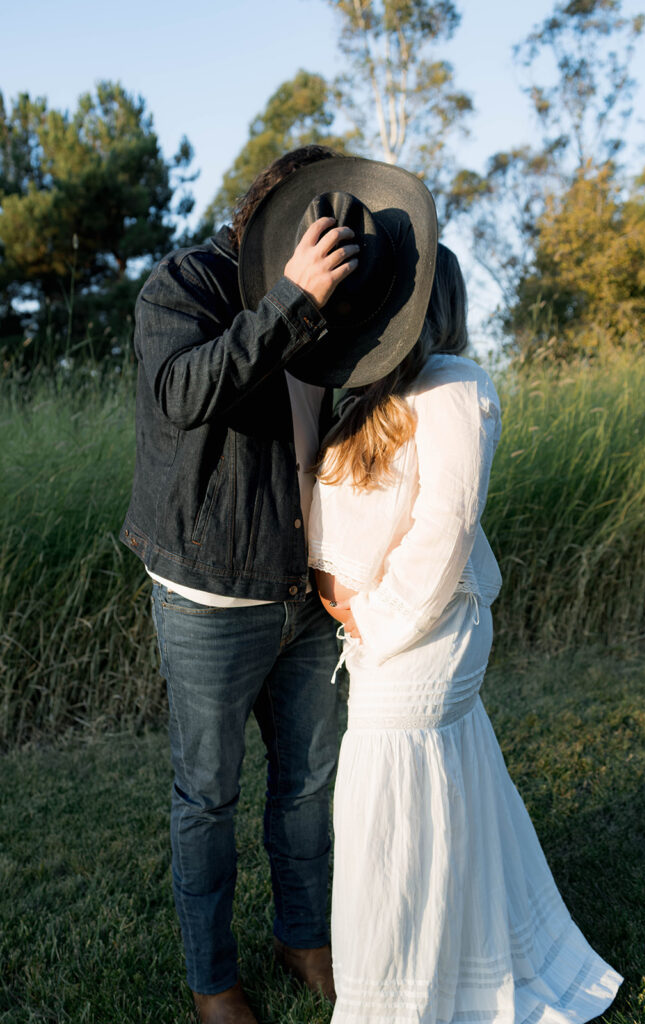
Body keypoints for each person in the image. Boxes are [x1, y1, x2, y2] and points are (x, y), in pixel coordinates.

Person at [120, 149, 439, 1024]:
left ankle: (304, 938)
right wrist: (289, 298)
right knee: (207, 795)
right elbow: (181, 393)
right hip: (212, 594)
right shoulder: (182, 284)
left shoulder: (339, 290)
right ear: (272, 215)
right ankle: (212, 980)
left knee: (305, 788)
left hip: (309, 591)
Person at [308, 244, 624, 1023]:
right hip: (378, 640)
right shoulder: (375, 389)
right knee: (406, 796)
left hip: (413, 637)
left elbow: (444, 528)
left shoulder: (453, 386)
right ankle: (449, 966)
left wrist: (364, 614)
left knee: (391, 802)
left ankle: (399, 1003)